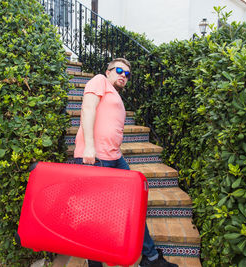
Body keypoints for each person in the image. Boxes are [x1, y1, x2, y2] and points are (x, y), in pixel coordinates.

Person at [74, 58, 178, 267]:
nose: (123, 75)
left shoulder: (116, 96)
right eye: (119, 70)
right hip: (96, 157)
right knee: (97, 215)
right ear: (108, 71)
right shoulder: (99, 80)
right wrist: (89, 147)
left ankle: (150, 258)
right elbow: (88, 109)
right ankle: (95, 263)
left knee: (134, 206)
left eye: (127, 74)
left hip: (114, 157)